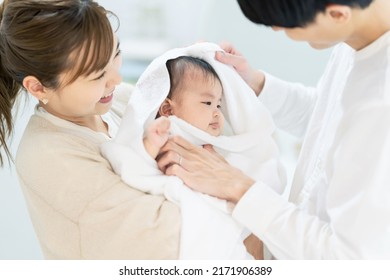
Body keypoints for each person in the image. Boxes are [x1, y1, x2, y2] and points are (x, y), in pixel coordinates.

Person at [157, 0, 390, 259]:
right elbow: (329, 117)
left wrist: (236, 186)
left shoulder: (382, 99)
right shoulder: (357, 34)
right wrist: (254, 85)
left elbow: (351, 262)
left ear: (337, 14)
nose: (279, 30)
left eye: (286, 24)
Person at [0, 0, 181, 259]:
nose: (116, 79)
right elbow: (165, 239)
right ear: (38, 88)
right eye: (97, 75)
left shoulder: (119, 100)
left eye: (116, 53)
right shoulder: (49, 157)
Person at [101, 46, 286, 259]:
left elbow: (247, 167)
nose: (217, 112)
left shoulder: (213, 143)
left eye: (218, 103)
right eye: (207, 103)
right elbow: (135, 164)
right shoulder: (164, 133)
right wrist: (151, 145)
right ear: (168, 110)